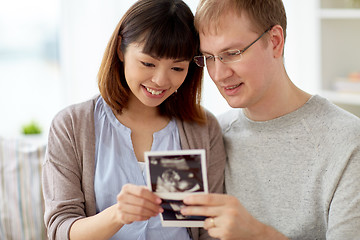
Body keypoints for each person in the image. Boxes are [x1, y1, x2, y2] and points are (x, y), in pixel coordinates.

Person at [41, 0, 226, 239]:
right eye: (148, 63)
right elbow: (59, 229)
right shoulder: (72, 125)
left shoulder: (203, 127)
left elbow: (211, 230)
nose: (160, 80)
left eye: (177, 68)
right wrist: (118, 214)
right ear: (121, 49)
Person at [180, 0, 360, 239]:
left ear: (275, 41)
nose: (218, 74)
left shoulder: (347, 141)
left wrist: (257, 234)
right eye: (209, 57)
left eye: (232, 54)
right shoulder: (213, 135)